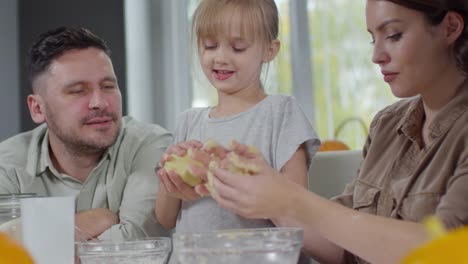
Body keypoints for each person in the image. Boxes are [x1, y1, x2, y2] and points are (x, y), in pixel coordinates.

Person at [206, 0, 468, 263]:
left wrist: (292, 198)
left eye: (393, 35)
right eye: (372, 39)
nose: (376, 56)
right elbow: (345, 249)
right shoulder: (386, 125)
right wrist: (268, 197)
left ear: (450, 27)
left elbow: (447, 251)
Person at [155, 0, 320, 235]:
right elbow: (165, 218)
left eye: (238, 48)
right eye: (210, 46)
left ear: (269, 50)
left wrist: (232, 178)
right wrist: (170, 182)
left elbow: (297, 210)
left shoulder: (280, 112)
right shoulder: (188, 122)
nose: (220, 57)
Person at [0, 27, 173, 241]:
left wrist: (39, 240)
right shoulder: (7, 166)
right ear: (37, 108)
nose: (99, 102)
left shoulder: (151, 145)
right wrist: (95, 220)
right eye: (78, 91)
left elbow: (137, 241)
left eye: (108, 86)